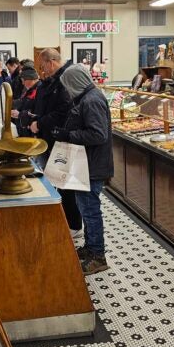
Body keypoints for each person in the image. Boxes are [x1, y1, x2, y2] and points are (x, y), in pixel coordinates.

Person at [52, 64, 113, 275]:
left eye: (68, 86)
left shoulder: (92, 100)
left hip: (92, 165)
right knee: (85, 208)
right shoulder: (86, 98)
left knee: (90, 210)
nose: (67, 91)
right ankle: (90, 247)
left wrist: (70, 135)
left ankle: (98, 255)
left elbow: (98, 135)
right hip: (84, 163)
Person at [31, 48, 82, 235]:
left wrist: (41, 122)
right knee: (58, 182)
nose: (43, 71)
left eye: (44, 67)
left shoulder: (65, 79)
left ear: (52, 62)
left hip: (63, 138)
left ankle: (74, 225)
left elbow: (63, 111)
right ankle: (66, 220)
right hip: (53, 136)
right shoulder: (54, 79)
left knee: (66, 184)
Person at [11, 65, 40, 137]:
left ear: (31, 79)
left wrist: (20, 114)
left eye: (23, 81)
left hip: (33, 131)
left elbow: (36, 111)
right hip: (25, 130)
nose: (23, 83)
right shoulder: (30, 90)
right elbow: (23, 103)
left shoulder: (39, 90)